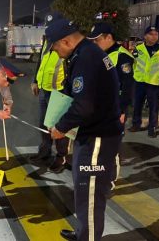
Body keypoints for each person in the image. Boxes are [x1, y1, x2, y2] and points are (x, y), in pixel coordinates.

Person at [46, 18, 123, 241]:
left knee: (90, 196)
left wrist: (61, 127)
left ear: (67, 41)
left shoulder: (86, 58)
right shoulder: (86, 53)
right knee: (83, 191)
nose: (56, 52)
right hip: (90, 134)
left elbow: (84, 105)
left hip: (97, 137)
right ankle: (84, 233)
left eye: (56, 47)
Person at [87, 22, 135, 184]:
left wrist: (121, 111)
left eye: (97, 40)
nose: (94, 43)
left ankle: (109, 180)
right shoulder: (99, 54)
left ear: (109, 37)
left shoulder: (122, 57)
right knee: (97, 145)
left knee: (110, 147)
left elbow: (128, 88)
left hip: (114, 111)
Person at [30, 36, 69, 173]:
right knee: (43, 124)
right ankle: (45, 152)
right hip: (43, 90)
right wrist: (35, 80)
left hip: (59, 91)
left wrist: (67, 92)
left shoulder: (66, 43)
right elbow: (41, 61)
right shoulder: (48, 41)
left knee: (59, 127)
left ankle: (61, 157)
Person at [128, 26, 159, 138]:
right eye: (151, 34)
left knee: (154, 107)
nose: (154, 36)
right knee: (137, 104)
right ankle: (136, 124)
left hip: (154, 82)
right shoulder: (138, 49)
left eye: (156, 34)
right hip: (139, 81)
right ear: (145, 36)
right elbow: (133, 63)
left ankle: (152, 128)